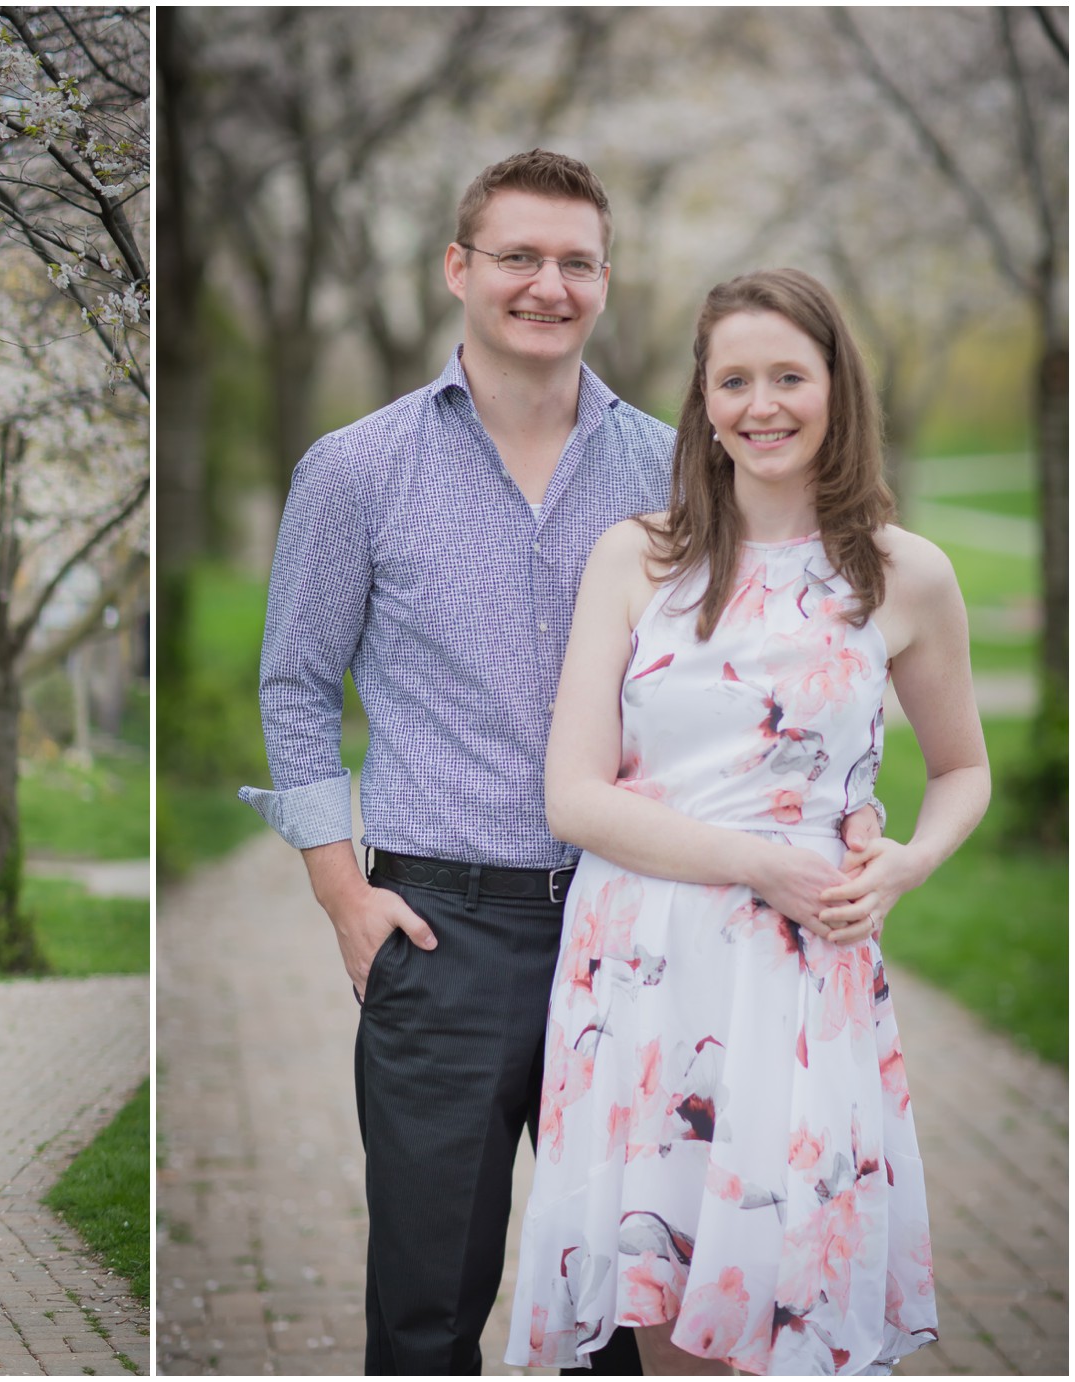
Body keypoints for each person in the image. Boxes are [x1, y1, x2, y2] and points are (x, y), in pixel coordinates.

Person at [238, 151, 881, 1375]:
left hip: (644, 929)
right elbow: (295, 682)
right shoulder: (357, 467)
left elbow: (775, 663)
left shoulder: (678, 469)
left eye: (576, 261)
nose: (548, 284)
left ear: (605, 279)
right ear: (458, 270)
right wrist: (341, 892)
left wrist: (851, 808)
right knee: (427, 1310)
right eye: (519, 257)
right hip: (442, 929)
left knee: (619, 1313)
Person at [505, 268, 988, 1375]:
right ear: (703, 399)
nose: (761, 404)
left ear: (837, 390)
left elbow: (963, 769)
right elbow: (573, 795)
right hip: (644, 968)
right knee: (667, 1311)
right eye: (735, 379)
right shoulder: (641, 556)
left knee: (786, 1304)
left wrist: (908, 861)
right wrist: (757, 861)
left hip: (801, 974)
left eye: (788, 376)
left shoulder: (907, 575)